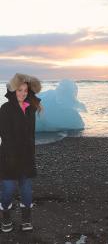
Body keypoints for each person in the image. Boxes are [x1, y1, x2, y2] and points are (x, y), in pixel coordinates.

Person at [0, 73, 42, 232]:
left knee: (26, 190)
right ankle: (6, 217)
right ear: (13, 91)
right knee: (8, 190)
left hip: (26, 156)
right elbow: (4, 134)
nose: (23, 93)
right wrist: (11, 156)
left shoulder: (30, 108)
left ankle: (26, 219)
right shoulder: (5, 108)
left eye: (25, 90)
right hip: (8, 157)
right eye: (19, 90)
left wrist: (31, 149)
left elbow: (30, 133)